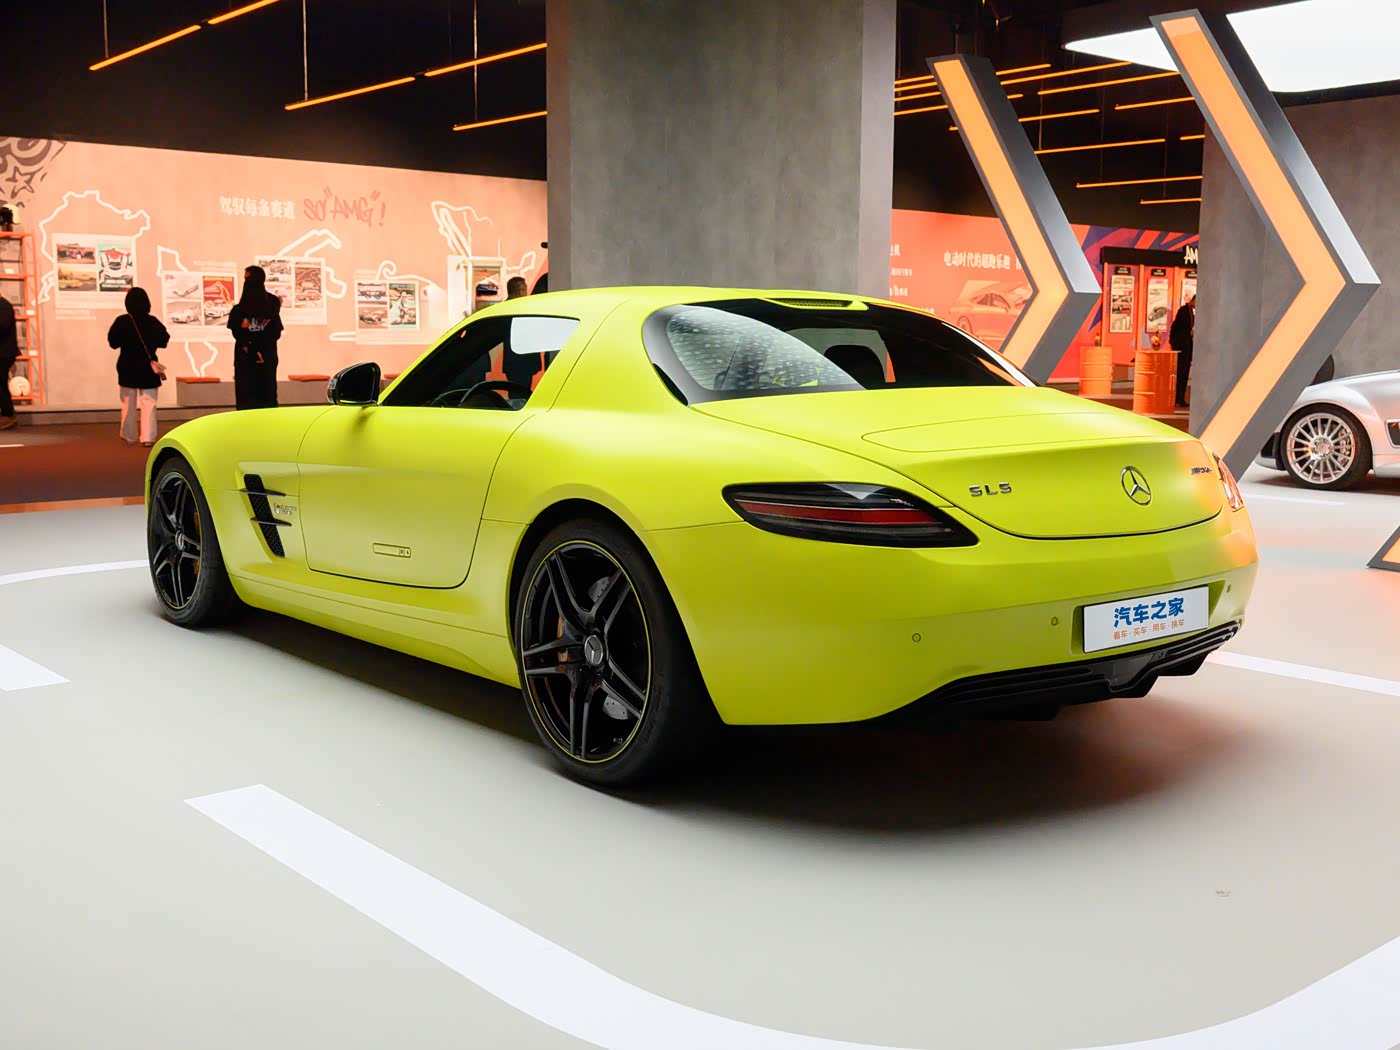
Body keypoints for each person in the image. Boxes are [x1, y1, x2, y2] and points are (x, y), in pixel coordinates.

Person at [107, 287, 168, 446]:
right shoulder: (153, 322)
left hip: (127, 367)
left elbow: (113, 343)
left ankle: (129, 435)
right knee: (149, 403)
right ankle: (148, 437)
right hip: (148, 368)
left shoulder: (122, 321)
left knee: (128, 403)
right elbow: (164, 340)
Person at [228, 265, 283, 410]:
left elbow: (275, 332)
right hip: (252, 359)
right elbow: (276, 332)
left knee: (260, 397)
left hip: (257, 359)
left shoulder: (270, 305)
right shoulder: (240, 310)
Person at [1170, 294, 1195, 409]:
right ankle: (1178, 398)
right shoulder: (1184, 311)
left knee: (1184, 374)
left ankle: (1180, 398)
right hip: (1182, 347)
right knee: (1181, 373)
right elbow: (1179, 328)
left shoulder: (1189, 312)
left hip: (1186, 346)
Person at [0, 291, 17, 430]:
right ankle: (6, 413)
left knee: (0, 383)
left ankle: (8, 414)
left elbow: (2, 326)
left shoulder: (4, 306)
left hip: (4, 353)